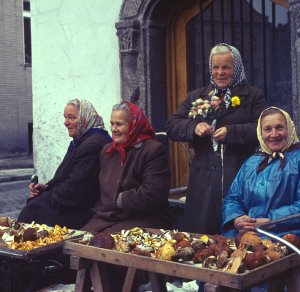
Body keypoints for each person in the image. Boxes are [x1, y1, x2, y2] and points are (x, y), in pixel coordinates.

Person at [165, 43, 267, 234]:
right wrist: (193, 127)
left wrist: (232, 132)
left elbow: (262, 128)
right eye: (215, 67)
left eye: (226, 67)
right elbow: (172, 125)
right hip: (204, 175)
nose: (220, 72)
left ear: (236, 69)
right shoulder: (197, 96)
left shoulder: (253, 96)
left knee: (237, 230)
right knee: (202, 233)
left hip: (239, 170)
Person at [17, 99, 112, 229]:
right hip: (76, 205)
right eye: (65, 117)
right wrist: (47, 188)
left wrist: (42, 199)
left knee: (32, 212)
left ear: (85, 118)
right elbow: (70, 178)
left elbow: (73, 192)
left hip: (82, 211)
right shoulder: (83, 141)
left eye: (71, 117)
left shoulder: (91, 145)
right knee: (32, 209)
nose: (66, 122)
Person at [82, 100, 171, 234]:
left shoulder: (153, 150)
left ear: (133, 125)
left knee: (104, 246)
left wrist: (118, 200)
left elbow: (153, 194)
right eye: (112, 123)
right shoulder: (108, 151)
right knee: (75, 242)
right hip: (107, 217)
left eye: (119, 124)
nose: (113, 129)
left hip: (142, 219)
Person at [222, 107, 300, 237]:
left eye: (279, 127)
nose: (274, 134)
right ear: (260, 132)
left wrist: (272, 221)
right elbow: (233, 198)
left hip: (287, 237)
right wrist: (236, 219)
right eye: (267, 129)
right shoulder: (251, 163)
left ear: (289, 129)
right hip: (247, 236)